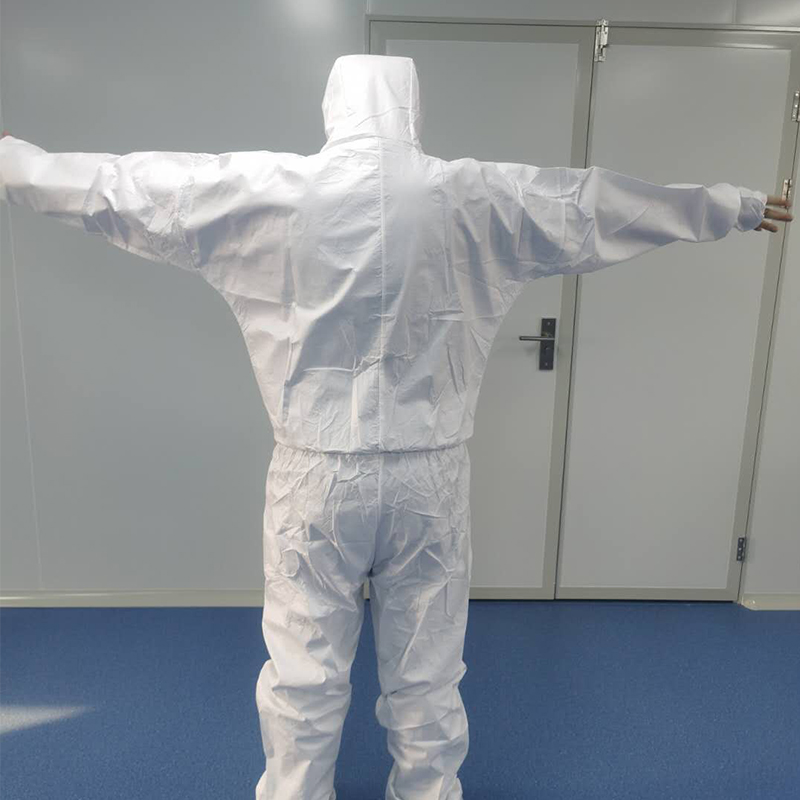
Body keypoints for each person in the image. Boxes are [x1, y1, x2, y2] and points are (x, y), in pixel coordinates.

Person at [0, 53, 792, 800]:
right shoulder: (472, 196)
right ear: (411, 106)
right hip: (429, 477)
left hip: (315, 475)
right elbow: (594, 205)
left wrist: (11, 162)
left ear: (334, 104)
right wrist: (733, 205)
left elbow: (121, 188)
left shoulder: (269, 192)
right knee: (427, 671)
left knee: (303, 671)